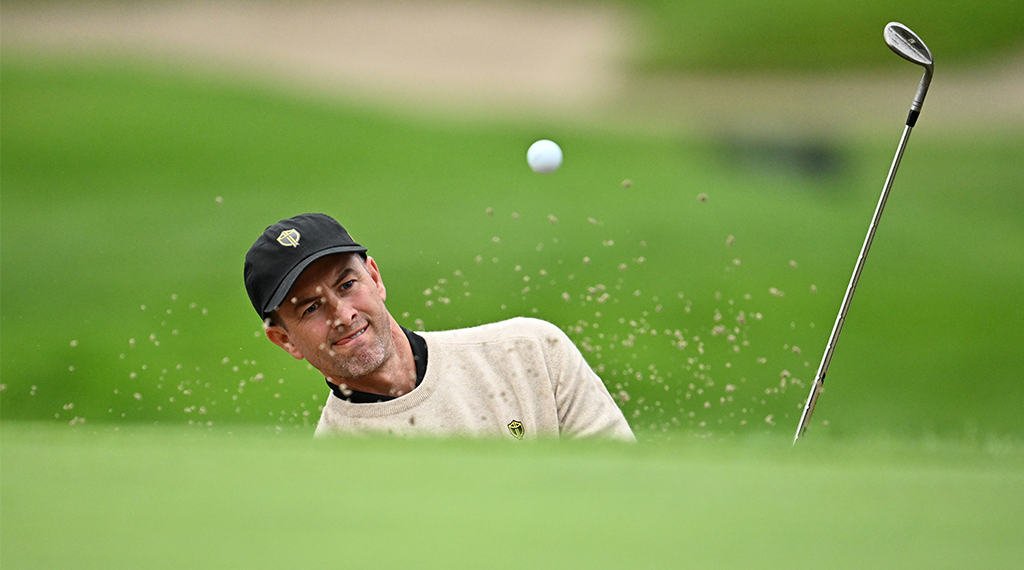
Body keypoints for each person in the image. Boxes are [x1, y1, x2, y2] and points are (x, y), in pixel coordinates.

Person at [244, 213, 634, 441]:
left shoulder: (530, 352)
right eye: (311, 308)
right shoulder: (334, 466)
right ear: (284, 340)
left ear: (375, 278)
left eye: (347, 285)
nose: (343, 314)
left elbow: (626, 491)